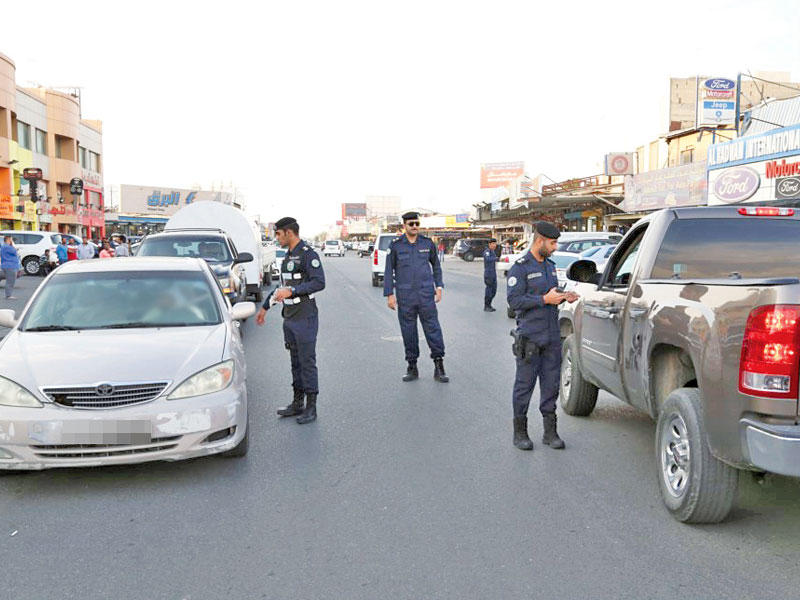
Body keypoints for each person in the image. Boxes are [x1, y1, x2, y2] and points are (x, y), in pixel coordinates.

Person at [507, 221, 579, 452]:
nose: (555, 246)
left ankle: (550, 432)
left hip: (551, 337)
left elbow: (550, 294)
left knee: (551, 386)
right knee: (524, 387)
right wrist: (543, 300)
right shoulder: (521, 267)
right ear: (540, 241)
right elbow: (514, 301)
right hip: (530, 338)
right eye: (553, 242)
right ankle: (520, 432)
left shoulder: (549, 266)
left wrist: (563, 296)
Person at [256, 217, 325, 424]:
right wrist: (266, 307)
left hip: (305, 315)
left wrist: (294, 290)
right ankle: (297, 403)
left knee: (306, 362)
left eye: (278, 234)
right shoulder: (287, 257)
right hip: (290, 316)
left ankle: (311, 407)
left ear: (289, 232)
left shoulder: (308, 255)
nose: (276, 238)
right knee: (295, 362)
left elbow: (319, 282)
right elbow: (281, 287)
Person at [384, 211, 448, 383]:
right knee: (408, 332)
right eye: (411, 224)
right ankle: (412, 366)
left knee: (433, 329)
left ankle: (439, 364)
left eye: (417, 224)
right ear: (404, 225)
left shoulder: (427, 244)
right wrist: (390, 294)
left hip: (426, 294)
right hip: (405, 296)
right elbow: (389, 271)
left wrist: (439, 286)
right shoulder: (396, 246)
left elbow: (436, 266)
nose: (415, 227)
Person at [0, 236, 21, 300]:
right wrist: (12, 245)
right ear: (8, 240)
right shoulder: (8, 247)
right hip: (10, 266)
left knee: (9, 280)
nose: (12, 241)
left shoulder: (3, 247)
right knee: (10, 281)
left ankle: (8, 294)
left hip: (5, 265)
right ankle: (8, 295)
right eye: (11, 240)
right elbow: (15, 252)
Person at [483, 238, 499, 312]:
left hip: (493, 273)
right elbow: (488, 259)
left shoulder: (493, 252)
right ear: (489, 244)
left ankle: (489, 304)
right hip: (488, 273)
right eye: (493, 244)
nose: (494, 245)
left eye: (495, 244)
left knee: (494, 290)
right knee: (489, 290)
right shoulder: (487, 251)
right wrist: (496, 258)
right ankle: (486, 306)